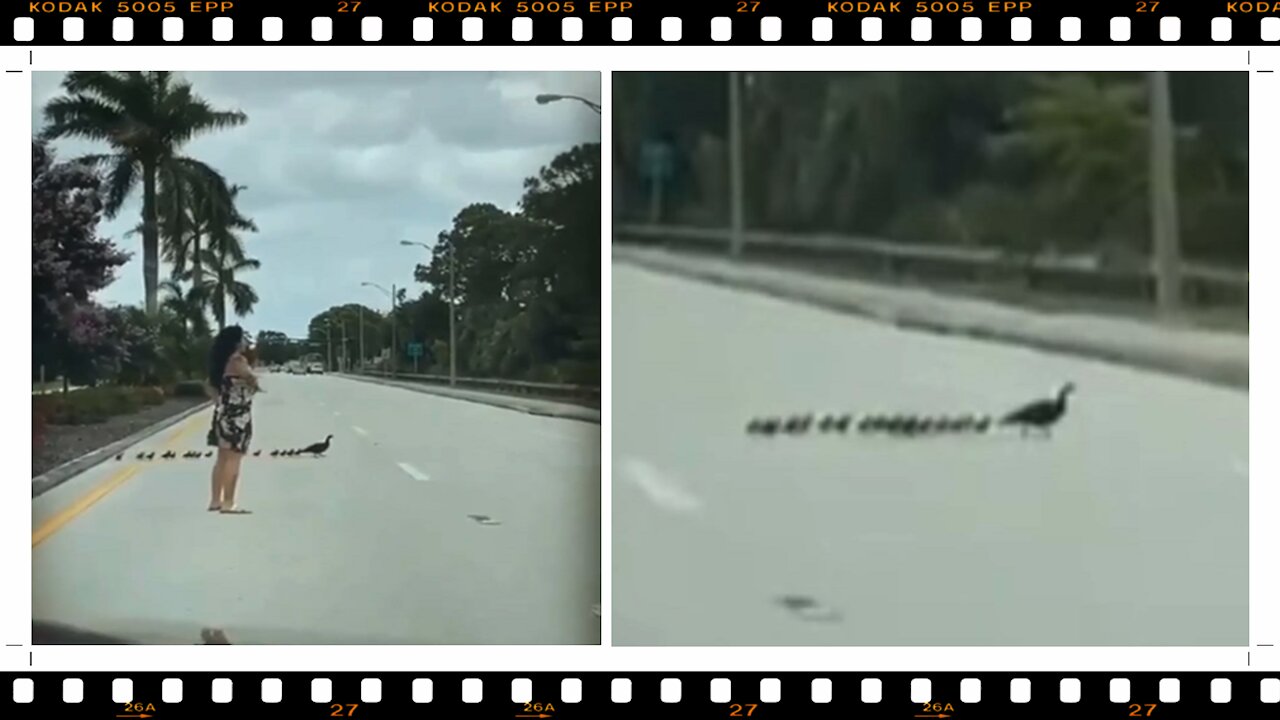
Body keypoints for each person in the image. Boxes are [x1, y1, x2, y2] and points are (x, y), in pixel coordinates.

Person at [205, 325, 262, 514]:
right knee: (234, 458)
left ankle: (215, 500)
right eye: (243, 338)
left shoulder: (222, 362)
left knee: (222, 458)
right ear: (237, 342)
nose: (246, 341)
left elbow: (209, 386)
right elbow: (253, 381)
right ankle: (229, 502)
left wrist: (219, 403)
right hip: (238, 416)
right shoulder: (238, 360)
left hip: (223, 413)